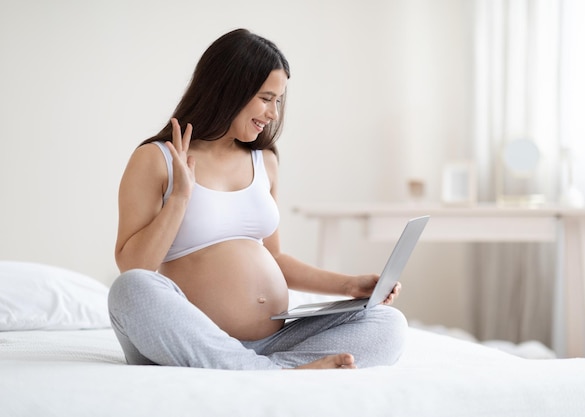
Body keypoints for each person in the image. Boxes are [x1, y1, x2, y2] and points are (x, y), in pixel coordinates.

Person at [108, 28, 407, 370]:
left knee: (389, 324)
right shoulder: (157, 158)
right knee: (129, 289)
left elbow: (274, 256)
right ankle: (267, 372)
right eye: (266, 99)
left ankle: (265, 369)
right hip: (193, 337)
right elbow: (135, 266)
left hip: (273, 340)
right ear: (229, 90)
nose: (274, 114)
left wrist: (348, 285)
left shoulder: (265, 161)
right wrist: (179, 198)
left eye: (278, 101)